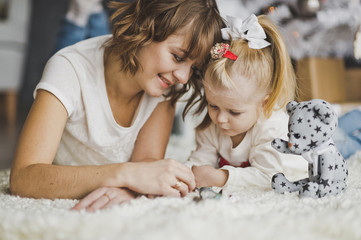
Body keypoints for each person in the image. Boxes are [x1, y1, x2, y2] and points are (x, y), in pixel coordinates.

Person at [9, 0, 225, 211]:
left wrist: (131, 189)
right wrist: (125, 175)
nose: (184, 78)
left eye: (192, 68)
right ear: (144, 27)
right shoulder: (68, 69)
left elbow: (147, 164)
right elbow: (23, 178)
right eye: (178, 57)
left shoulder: (164, 87)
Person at [186, 14, 308, 192]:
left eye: (234, 112)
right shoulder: (212, 128)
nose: (220, 118)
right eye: (213, 106)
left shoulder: (272, 128)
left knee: (341, 141)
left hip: (311, 143)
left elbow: (270, 178)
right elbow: (200, 164)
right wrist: (184, 175)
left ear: (264, 104)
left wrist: (222, 177)